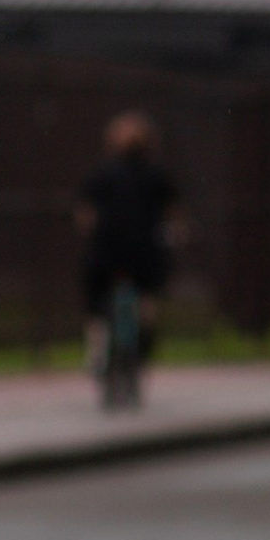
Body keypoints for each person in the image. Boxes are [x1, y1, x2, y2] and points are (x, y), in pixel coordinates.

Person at [75, 112, 181, 406]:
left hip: (106, 253)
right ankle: (137, 357)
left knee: (96, 309)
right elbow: (173, 217)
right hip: (144, 255)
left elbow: (85, 217)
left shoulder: (101, 173)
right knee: (147, 306)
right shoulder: (157, 175)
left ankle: (98, 353)